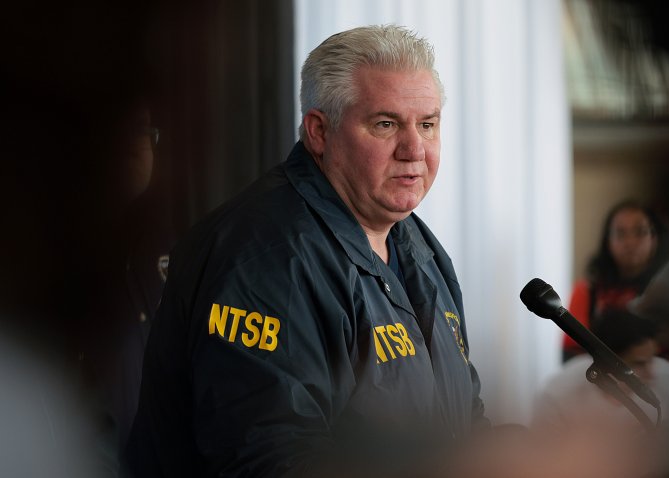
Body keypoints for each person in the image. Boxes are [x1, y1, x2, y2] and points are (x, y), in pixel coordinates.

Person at [127, 25, 487, 477]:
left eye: (428, 124)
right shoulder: (266, 256)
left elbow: (465, 424)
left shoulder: (417, 243)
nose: (414, 149)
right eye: (385, 124)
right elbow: (273, 460)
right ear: (319, 131)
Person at [535, 309, 669, 477]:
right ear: (604, 362)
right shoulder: (559, 393)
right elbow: (545, 460)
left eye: (652, 359)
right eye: (639, 364)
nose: (652, 373)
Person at [562, 199, 669, 362]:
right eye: (620, 234)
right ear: (608, 241)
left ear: (655, 238)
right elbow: (570, 355)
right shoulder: (586, 291)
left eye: (640, 232)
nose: (630, 242)